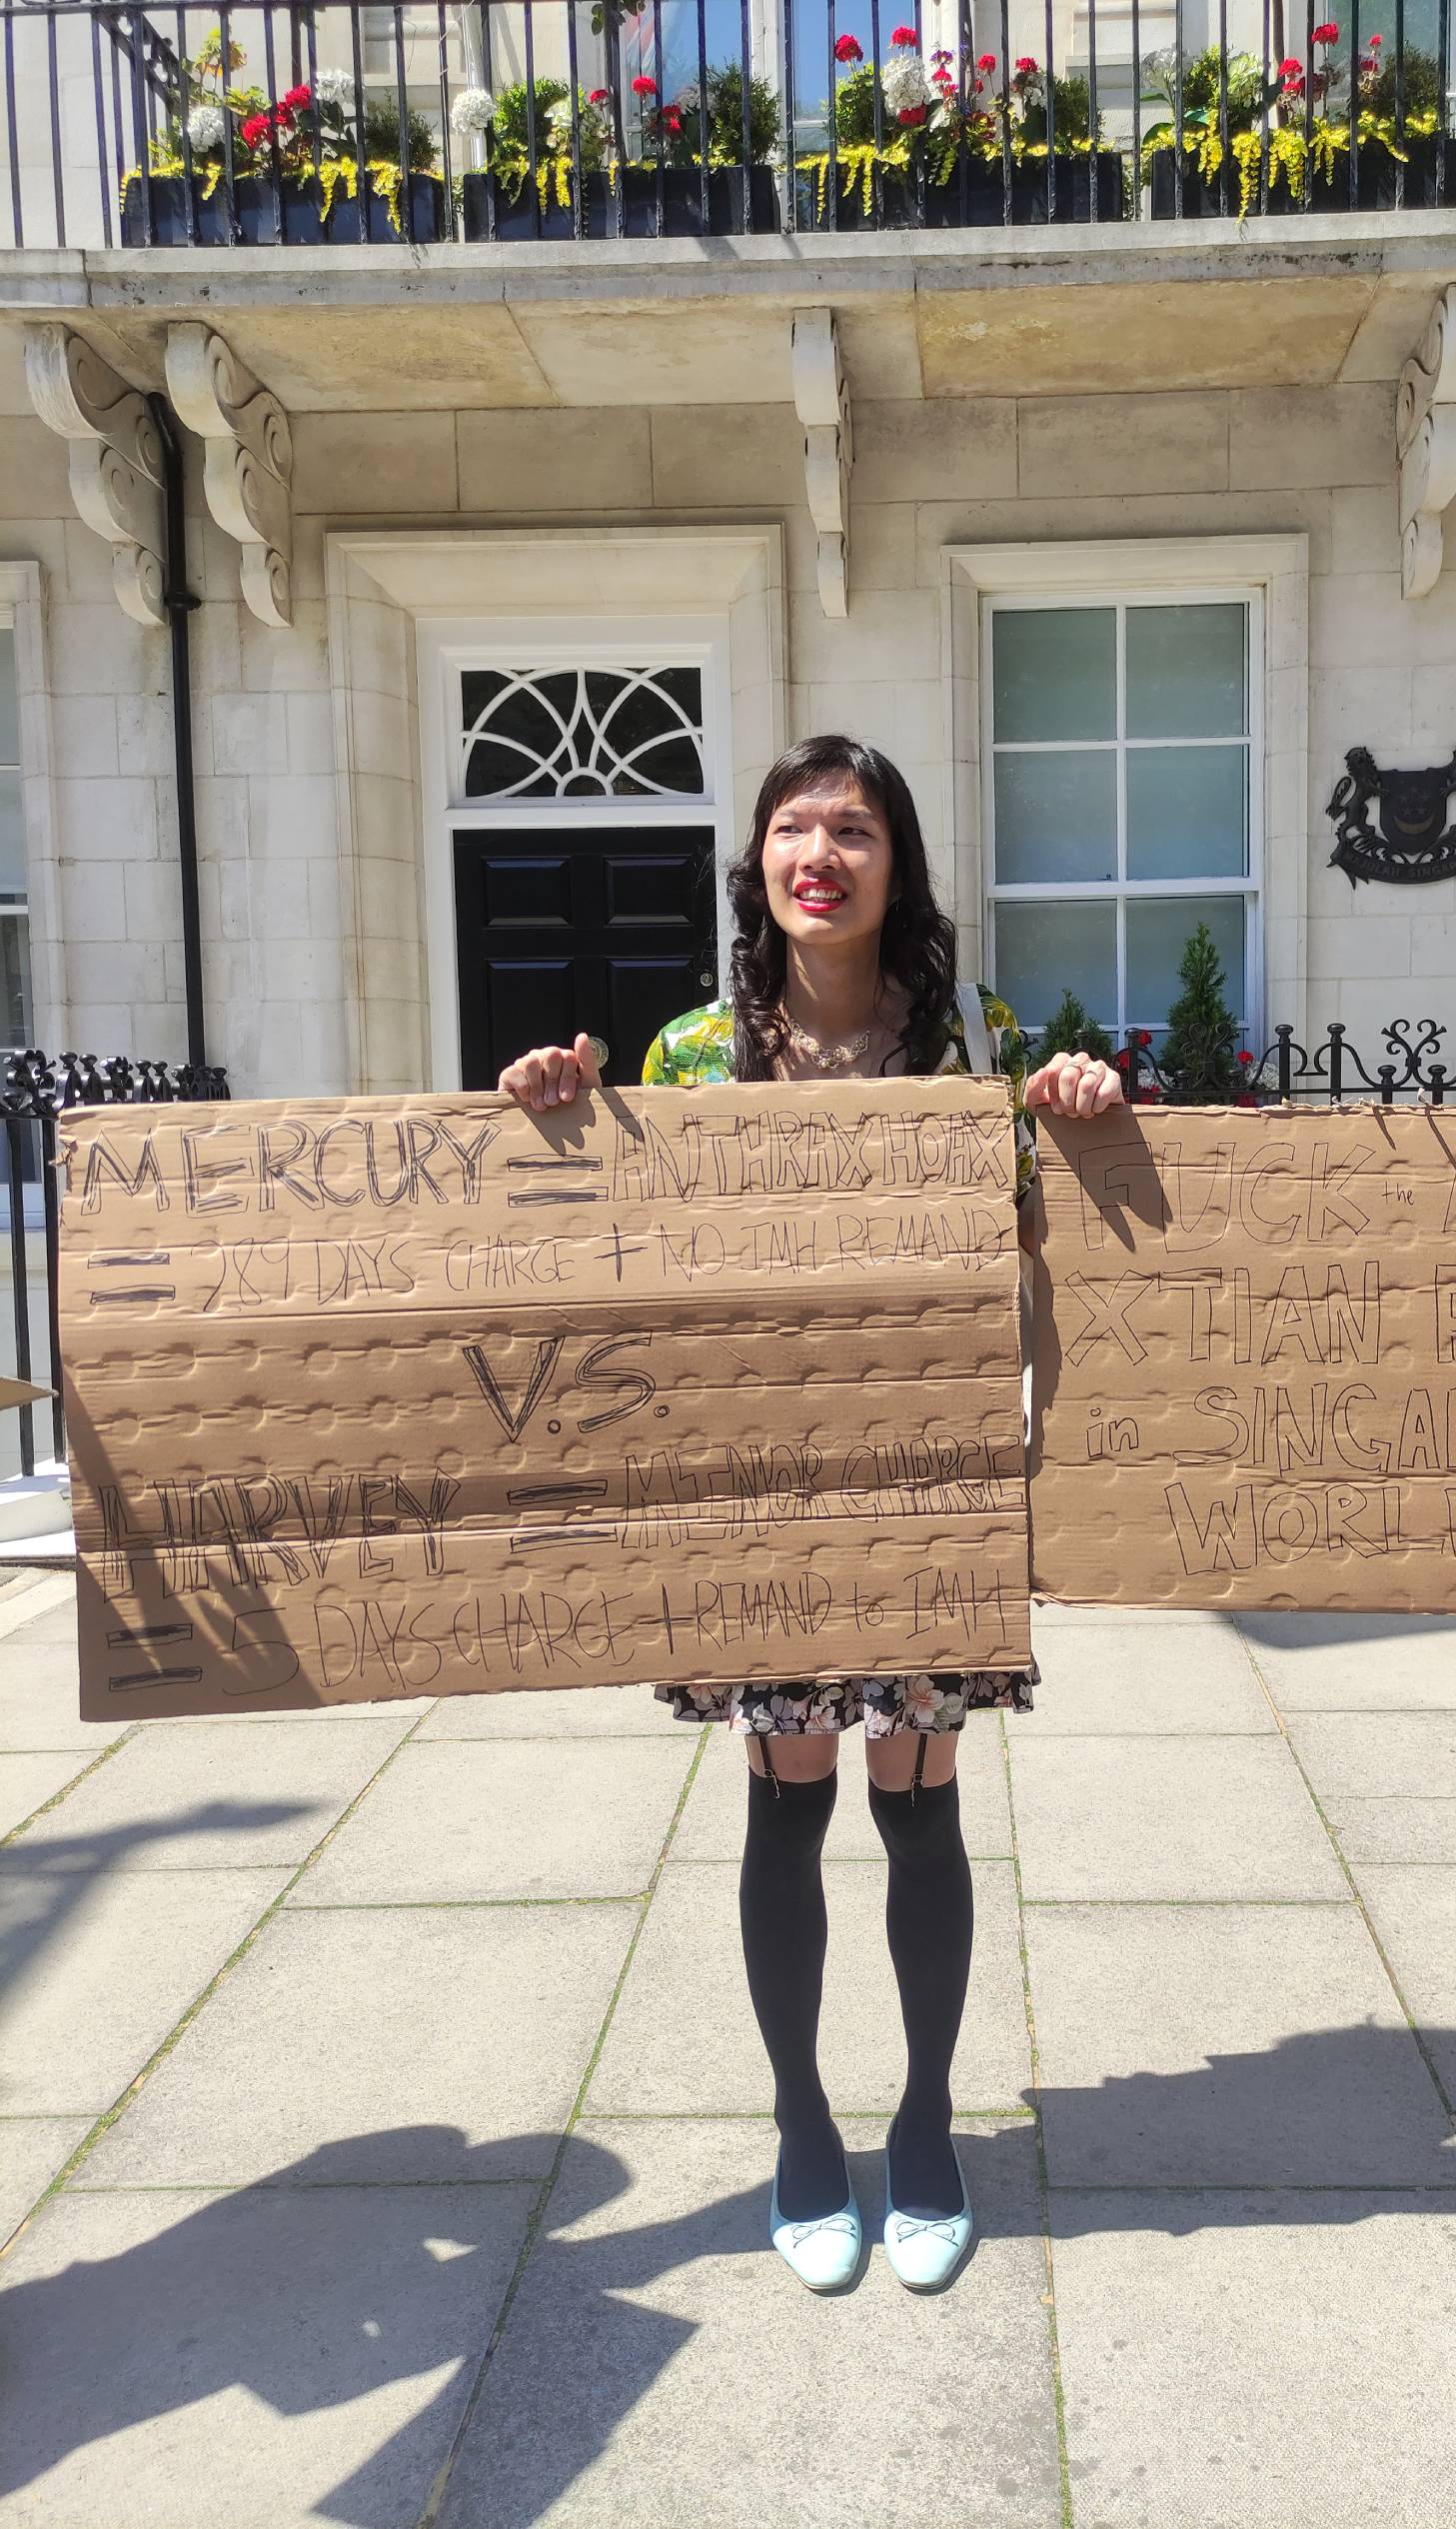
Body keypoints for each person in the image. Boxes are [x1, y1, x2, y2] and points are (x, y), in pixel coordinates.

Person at [499, 733, 1122, 2293]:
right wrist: (558, 1110)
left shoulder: (974, 1035)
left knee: (920, 1803)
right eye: (794, 828)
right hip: (762, 1493)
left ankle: (923, 2123)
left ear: (897, 862)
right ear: (760, 866)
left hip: (927, 1485)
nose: (819, 853)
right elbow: (621, 1262)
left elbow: (1048, 1235)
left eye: (852, 827)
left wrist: (1079, 1103)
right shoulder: (697, 1052)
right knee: (787, 1800)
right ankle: (800, 2122)